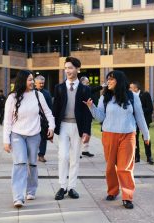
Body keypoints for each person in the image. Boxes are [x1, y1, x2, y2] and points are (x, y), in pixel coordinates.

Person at [84, 70, 150, 209]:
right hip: (109, 135)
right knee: (110, 168)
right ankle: (113, 191)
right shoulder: (104, 97)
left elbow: (140, 117)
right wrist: (92, 107)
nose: (108, 82)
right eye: (108, 79)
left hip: (128, 135)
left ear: (119, 81)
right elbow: (101, 117)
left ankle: (127, 196)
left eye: (111, 79)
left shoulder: (132, 96)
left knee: (124, 168)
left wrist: (146, 135)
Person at [3, 70, 55, 208]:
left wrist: (52, 127)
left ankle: (31, 190)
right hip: (17, 135)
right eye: (29, 80)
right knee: (19, 164)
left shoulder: (38, 95)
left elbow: (48, 112)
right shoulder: (12, 97)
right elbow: (7, 121)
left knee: (32, 163)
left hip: (34, 134)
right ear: (22, 81)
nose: (32, 82)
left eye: (33, 79)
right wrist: (6, 140)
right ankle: (18, 197)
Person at [53, 57, 92, 201]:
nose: (68, 71)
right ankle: (62, 186)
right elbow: (55, 109)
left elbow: (88, 112)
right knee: (63, 156)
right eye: (66, 68)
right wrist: (51, 128)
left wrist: (87, 131)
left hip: (78, 126)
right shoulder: (59, 88)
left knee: (75, 157)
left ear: (78, 69)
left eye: (70, 68)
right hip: (63, 125)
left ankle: (72, 187)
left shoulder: (85, 89)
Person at [129, 81, 154, 165]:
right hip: (134, 121)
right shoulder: (130, 96)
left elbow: (150, 108)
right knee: (135, 138)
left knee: (146, 137)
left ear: (136, 88)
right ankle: (137, 157)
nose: (129, 89)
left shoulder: (145, 94)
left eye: (131, 88)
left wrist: (139, 112)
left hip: (145, 120)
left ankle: (149, 157)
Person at [80, 76, 104, 158]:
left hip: (89, 114)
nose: (88, 84)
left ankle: (85, 150)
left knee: (88, 132)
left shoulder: (87, 90)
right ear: (82, 83)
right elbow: (91, 90)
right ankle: (78, 151)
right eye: (86, 82)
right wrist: (101, 87)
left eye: (88, 82)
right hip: (82, 114)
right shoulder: (81, 90)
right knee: (81, 133)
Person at [34, 75, 53, 162]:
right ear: (35, 83)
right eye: (40, 83)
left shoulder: (46, 93)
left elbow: (50, 107)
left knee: (43, 138)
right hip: (33, 119)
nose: (41, 85)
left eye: (43, 83)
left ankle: (41, 155)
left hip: (43, 120)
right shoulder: (31, 92)